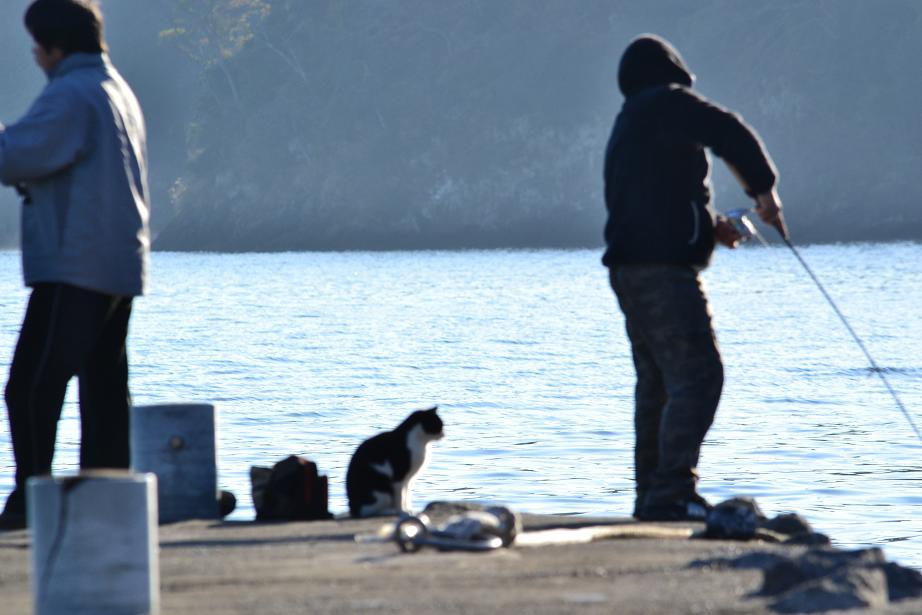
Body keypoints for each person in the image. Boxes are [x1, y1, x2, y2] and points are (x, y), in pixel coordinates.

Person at [603, 34, 787, 521]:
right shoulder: (667, 104)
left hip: (628, 269)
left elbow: (653, 200)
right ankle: (672, 492)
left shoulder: (632, 122)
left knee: (658, 385)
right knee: (700, 377)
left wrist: (710, 229)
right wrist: (764, 191)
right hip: (662, 273)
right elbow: (729, 132)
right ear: (672, 75)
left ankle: (653, 497)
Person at [0, 0, 150, 530]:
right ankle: (107, 503)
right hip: (119, 262)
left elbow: (14, 155)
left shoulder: (71, 94)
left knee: (31, 387)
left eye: (39, 43)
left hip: (75, 263)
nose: (36, 53)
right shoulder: (116, 90)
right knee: (103, 387)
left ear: (58, 46)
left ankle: (29, 504)